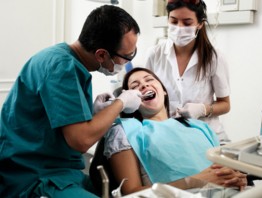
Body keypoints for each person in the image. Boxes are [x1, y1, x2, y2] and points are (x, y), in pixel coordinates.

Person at [0, 5, 143, 198]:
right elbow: (81, 139)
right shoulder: (62, 68)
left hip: (59, 172)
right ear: (101, 54)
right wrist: (121, 103)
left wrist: (92, 114)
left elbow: (54, 121)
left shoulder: (62, 60)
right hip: (34, 178)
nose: (128, 63)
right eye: (127, 57)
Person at [101, 67, 247, 195]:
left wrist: (236, 176)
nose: (144, 85)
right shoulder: (125, 131)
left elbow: (222, 168)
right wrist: (193, 182)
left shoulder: (198, 126)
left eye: (149, 80)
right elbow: (130, 194)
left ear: (164, 91)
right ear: (131, 101)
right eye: (135, 85)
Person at [144, 0, 231, 144]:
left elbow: (225, 104)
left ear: (200, 24)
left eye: (187, 23)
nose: (179, 28)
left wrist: (203, 109)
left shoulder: (214, 58)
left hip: (206, 136)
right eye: (174, 21)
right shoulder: (154, 54)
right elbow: (146, 95)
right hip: (166, 135)